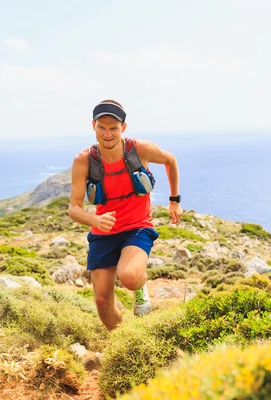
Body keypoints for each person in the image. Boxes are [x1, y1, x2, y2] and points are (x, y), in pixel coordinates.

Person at [68, 99, 183, 331]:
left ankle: (141, 289)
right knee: (102, 302)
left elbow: (170, 160)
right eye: (102, 127)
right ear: (93, 126)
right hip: (103, 232)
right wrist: (95, 220)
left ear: (124, 127)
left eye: (114, 128)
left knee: (129, 276)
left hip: (137, 227)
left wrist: (174, 201)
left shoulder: (140, 149)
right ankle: (126, 341)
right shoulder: (84, 160)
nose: (107, 134)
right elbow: (74, 208)